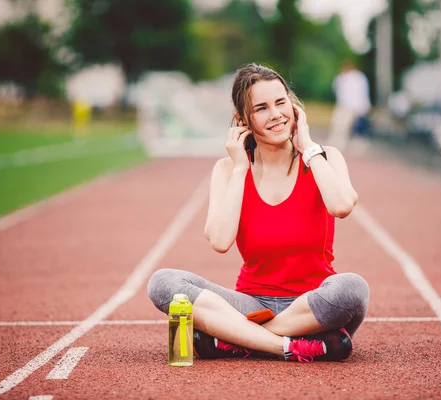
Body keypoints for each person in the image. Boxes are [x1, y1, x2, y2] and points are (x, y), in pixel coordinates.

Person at [147, 63, 370, 363]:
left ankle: (236, 339)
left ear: (293, 107)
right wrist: (240, 167)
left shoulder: (324, 157)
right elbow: (220, 241)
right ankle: (287, 346)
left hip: (312, 305)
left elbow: (341, 205)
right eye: (262, 108)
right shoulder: (228, 169)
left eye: (281, 103)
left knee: (353, 289)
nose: (276, 114)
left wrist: (307, 147)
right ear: (243, 121)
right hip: (251, 303)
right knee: (163, 283)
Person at [328, 59, 371, 150]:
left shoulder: (359, 77)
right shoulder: (341, 77)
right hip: (344, 106)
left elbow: (363, 93)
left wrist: (365, 106)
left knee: (357, 127)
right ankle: (337, 144)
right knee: (339, 126)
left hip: (356, 106)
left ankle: (358, 145)